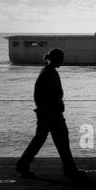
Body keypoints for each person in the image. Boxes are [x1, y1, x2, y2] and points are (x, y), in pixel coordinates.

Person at [15, 48, 83, 179]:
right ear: (56, 59)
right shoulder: (49, 74)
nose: (62, 62)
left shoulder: (47, 72)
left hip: (47, 113)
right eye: (61, 59)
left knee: (41, 140)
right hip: (52, 114)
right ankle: (69, 169)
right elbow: (45, 96)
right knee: (62, 141)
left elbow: (40, 96)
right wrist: (51, 111)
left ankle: (23, 164)